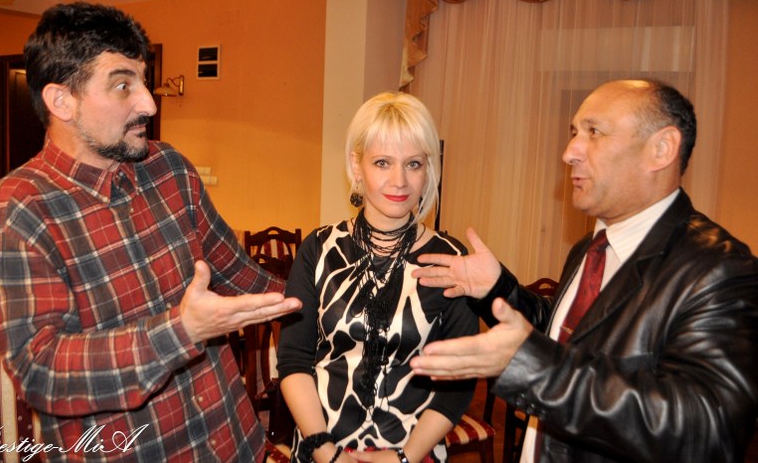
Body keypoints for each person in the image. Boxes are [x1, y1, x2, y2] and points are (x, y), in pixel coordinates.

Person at [0, 2, 301, 462]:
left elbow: (239, 275)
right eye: (123, 85)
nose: (149, 102)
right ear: (61, 101)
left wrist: (335, 299)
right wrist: (181, 330)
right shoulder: (16, 209)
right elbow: (41, 372)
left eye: (143, 81)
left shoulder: (168, 168)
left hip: (235, 441)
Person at [409, 79, 758, 462]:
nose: (569, 152)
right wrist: (497, 289)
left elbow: (706, 428)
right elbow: (568, 338)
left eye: (594, 133)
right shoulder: (590, 248)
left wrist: (534, 368)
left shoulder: (718, 268)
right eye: (574, 133)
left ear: (661, 149)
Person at [276, 92, 478, 463]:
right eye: (383, 162)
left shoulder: (450, 260)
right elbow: (294, 360)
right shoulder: (318, 249)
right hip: (320, 449)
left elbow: (459, 381)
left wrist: (404, 457)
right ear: (357, 166)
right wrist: (325, 452)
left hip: (413, 453)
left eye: (413, 164)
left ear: (428, 170)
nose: (399, 180)